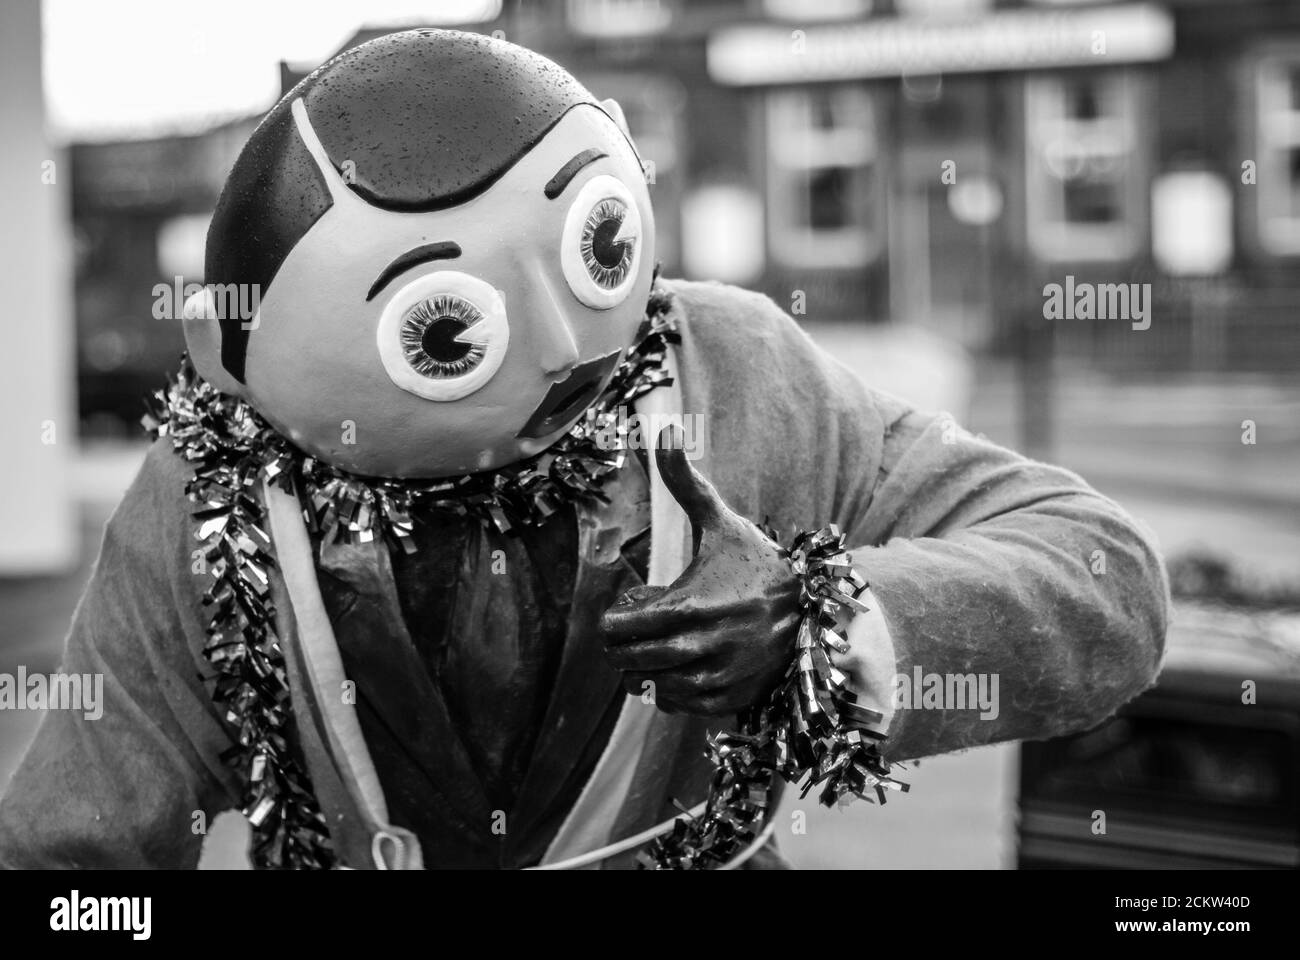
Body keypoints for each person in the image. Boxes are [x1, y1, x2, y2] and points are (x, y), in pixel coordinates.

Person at [0, 29, 1167, 870]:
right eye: (444, 327)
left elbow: (1100, 580)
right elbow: (74, 858)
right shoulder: (214, 490)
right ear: (232, 357)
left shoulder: (737, 373)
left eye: (597, 245)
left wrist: (825, 619)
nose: (564, 345)